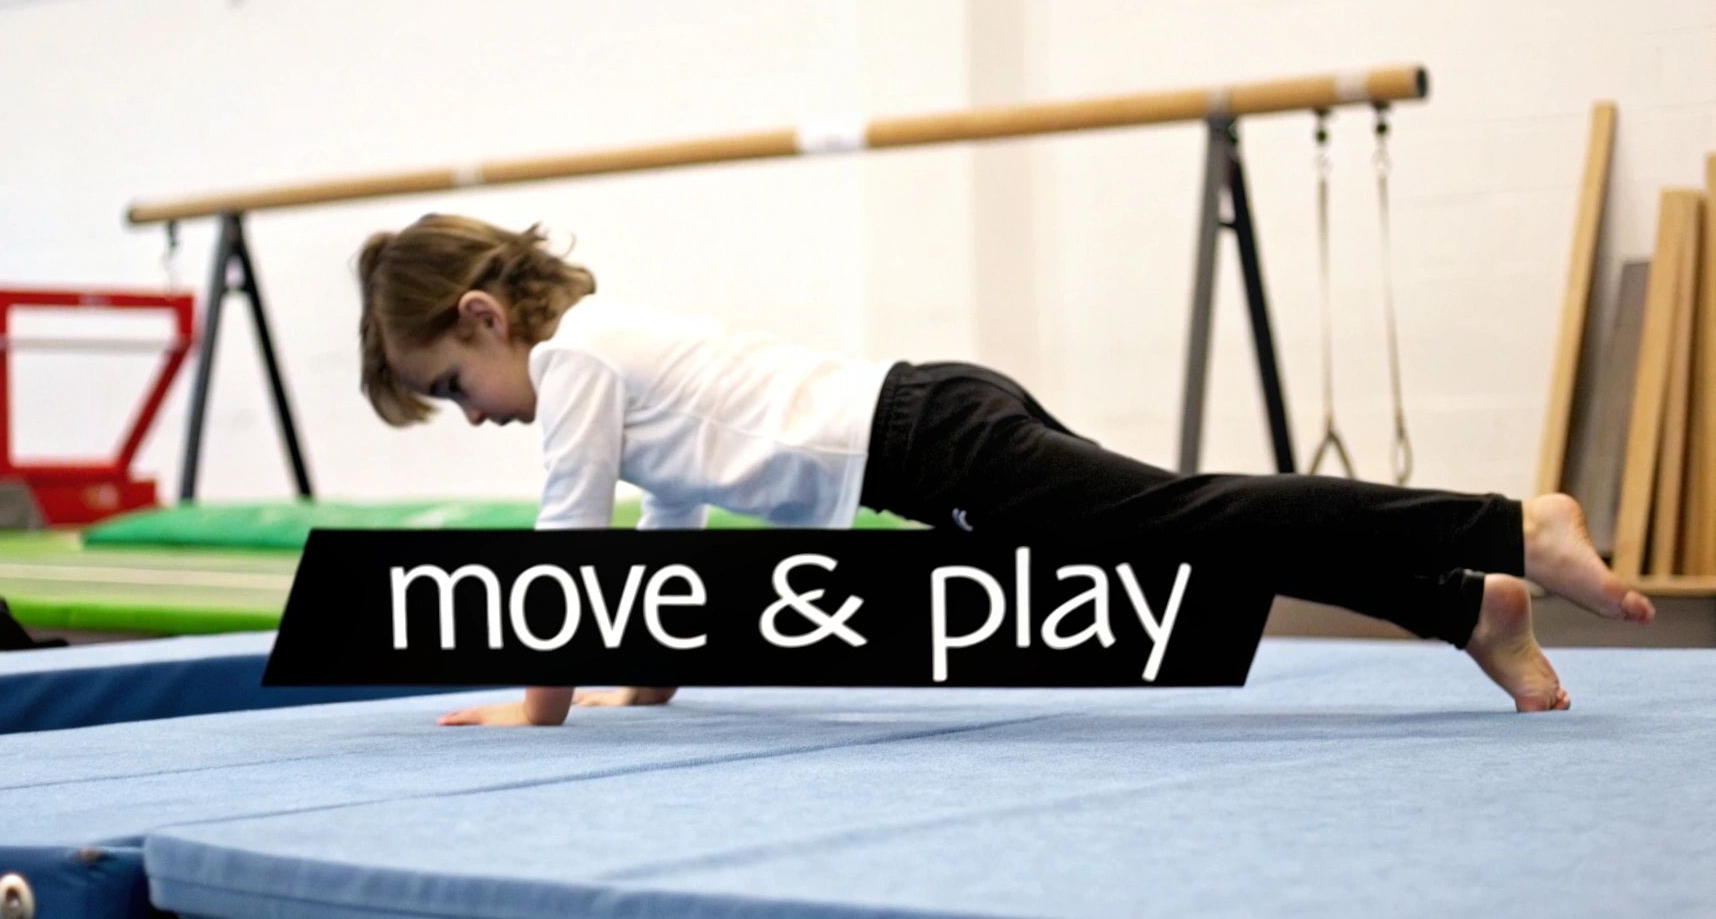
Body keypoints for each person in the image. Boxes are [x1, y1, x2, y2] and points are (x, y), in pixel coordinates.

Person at [357, 214, 1654, 727]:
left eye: (452, 389)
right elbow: (669, 528)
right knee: (1191, 539)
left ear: (483, 318)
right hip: (934, 427)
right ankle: (1467, 603)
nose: (471, 418)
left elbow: (567, 550)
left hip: (932, 443)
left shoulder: (577, 360)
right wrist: (642, 684)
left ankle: (1507, 527)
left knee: (1192, 519)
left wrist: (540, 707)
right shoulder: (606, 347)